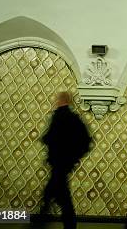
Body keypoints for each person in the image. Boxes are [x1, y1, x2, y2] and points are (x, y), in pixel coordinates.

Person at [39, 91, 92, 229]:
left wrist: (47, 140)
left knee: (56, 194)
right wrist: (74, 157)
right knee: (58, 193)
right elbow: (86, 141)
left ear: (62, 101)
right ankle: (54, 220)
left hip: (59, 162)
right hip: (65, 162)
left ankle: (43, 220)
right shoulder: (74, 118)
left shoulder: (60, 116)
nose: (56, 101)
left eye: (58, 99)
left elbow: (53, 137)